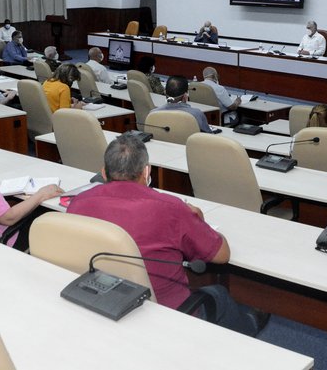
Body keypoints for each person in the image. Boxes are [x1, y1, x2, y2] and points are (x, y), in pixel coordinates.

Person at [66, 135, 269, 336]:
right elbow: (222, 255)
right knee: (219, 295)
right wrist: (198, 221)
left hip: (100, 301)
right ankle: (251, 332)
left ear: (103, 172)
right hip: (164, 315)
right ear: (146, 171)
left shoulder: (78, 203)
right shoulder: (171, 208)